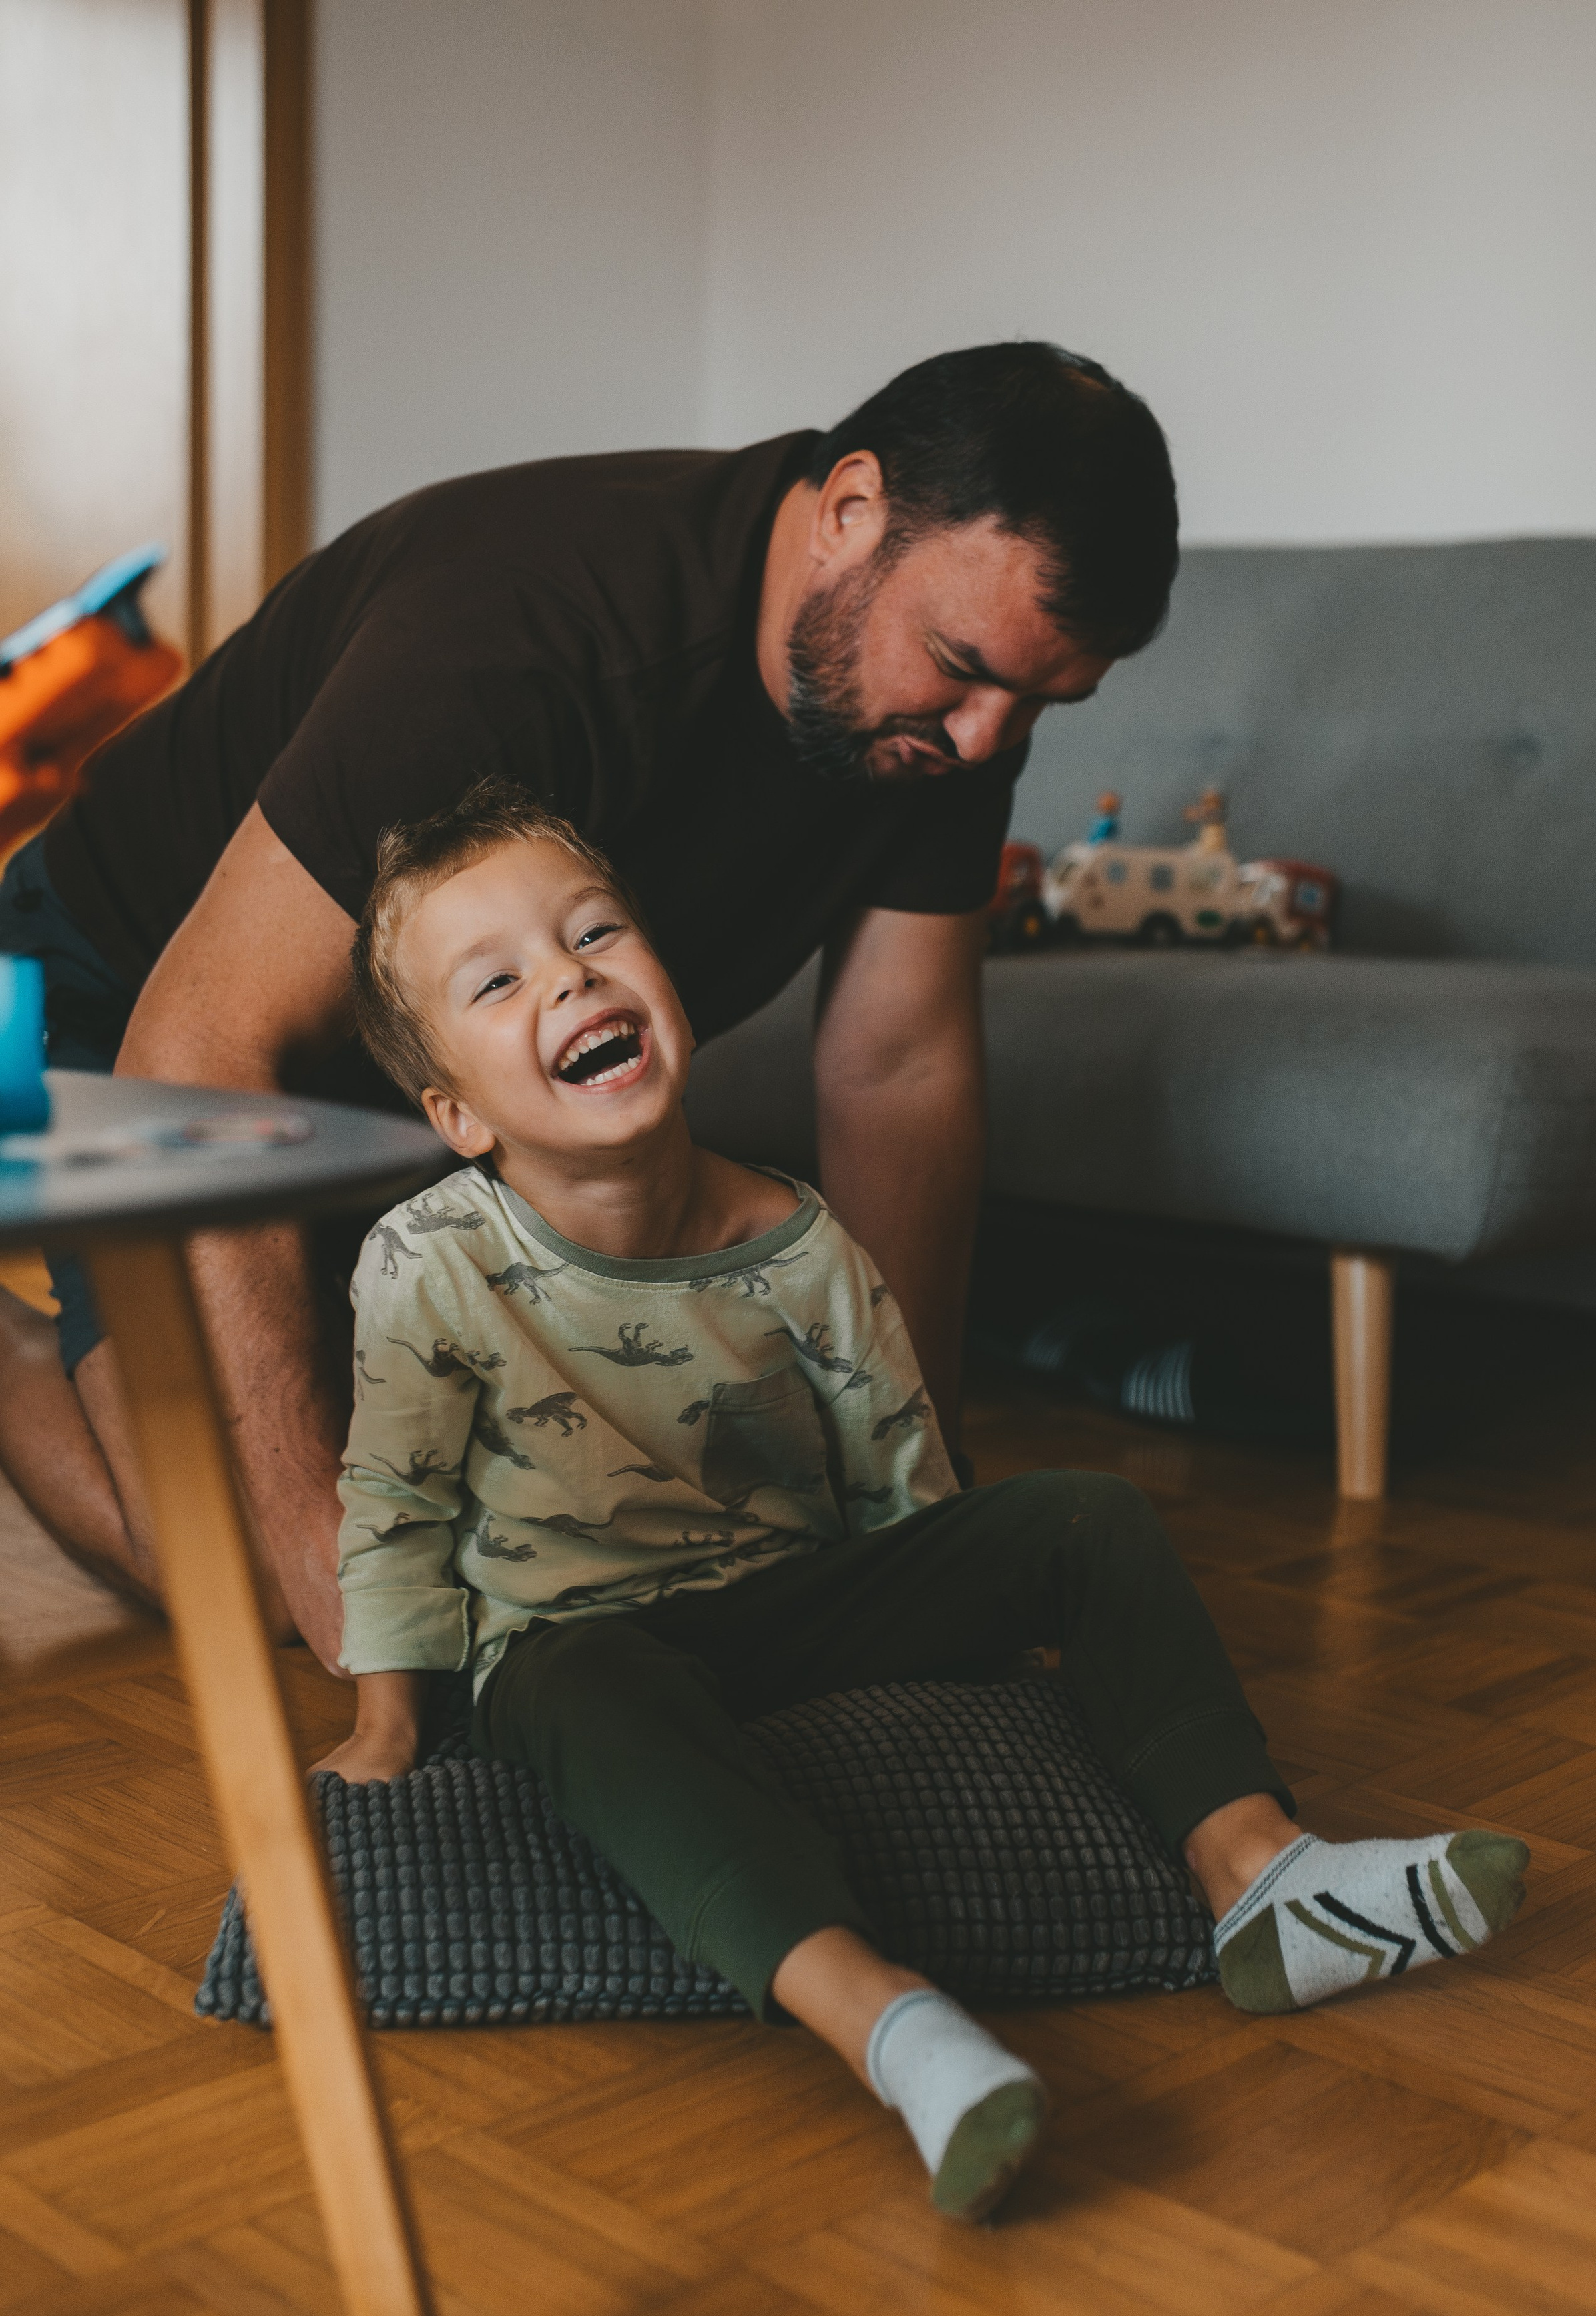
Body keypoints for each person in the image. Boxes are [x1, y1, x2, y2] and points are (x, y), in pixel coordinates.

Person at [321, 781, 1531, 2223]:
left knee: (1087, 1510)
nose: (570, 976)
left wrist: (970, 1666)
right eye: (499, 977)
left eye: (595, 934)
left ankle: (1259, 1874)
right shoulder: (425, 1264)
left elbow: (906, 1493)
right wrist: (391, 1725)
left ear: (665, 982)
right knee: (580, 1681)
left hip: (789, 1608)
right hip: (576, 1646)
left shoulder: (805, 1245)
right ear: (453, 1112)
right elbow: (393, 1503)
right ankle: (891, 2022)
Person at [0, 342, 1179, 1664]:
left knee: (561, 1526)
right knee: (254, 1569)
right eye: (960, 666)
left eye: (1039, 704)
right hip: (131, 998)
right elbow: (204, 1041)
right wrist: (345, 1602)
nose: (983, 743)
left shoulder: (944, 730)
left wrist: (917, 1505)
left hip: (425, 1087)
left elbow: (896, 1069)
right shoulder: (524, 632)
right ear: (850, 511)